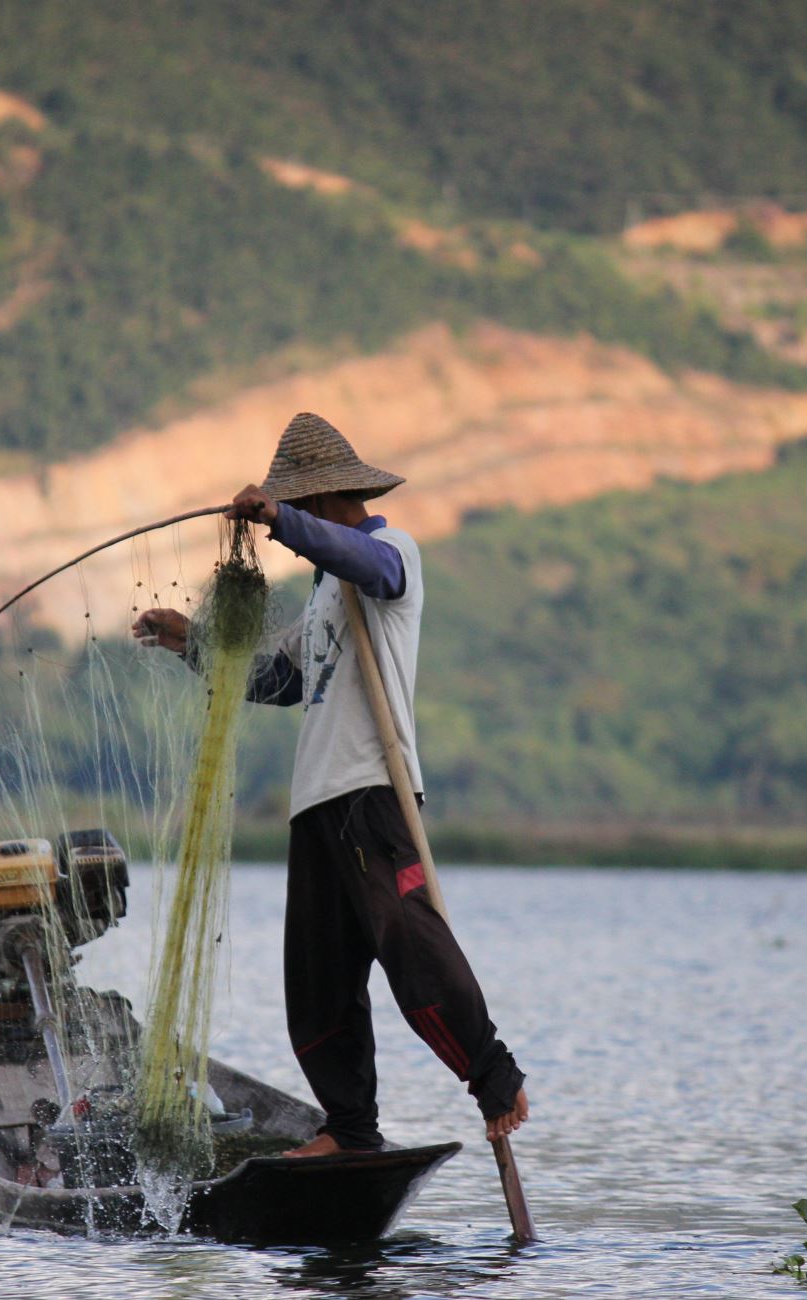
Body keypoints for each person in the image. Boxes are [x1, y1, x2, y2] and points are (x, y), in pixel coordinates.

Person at [133, 411, 528, 1155]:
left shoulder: (389, 554)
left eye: (301, 511)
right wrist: (192, 643)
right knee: (316, 983)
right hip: (314, 804)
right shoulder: (321, 596)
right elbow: (277, 679)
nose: (298, 525)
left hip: (371, 789)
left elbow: (366, 566)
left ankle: (495, 1078)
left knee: (410, 944)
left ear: (318, 504)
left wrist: (279, 520)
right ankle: (350, 1131)